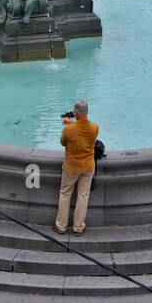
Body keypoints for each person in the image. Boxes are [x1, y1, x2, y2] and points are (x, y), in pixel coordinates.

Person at [55, 99, 100, 236]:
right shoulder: (95, 128)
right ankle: (78, 227)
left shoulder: (69, 129)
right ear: (87, 112)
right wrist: (74, 123)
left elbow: (63, 142)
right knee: (83, 196)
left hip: (72, 167)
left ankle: (61, 226)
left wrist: (71, 124)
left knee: (65, 195)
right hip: (88, 167)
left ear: (75, 113)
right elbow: (84, 129)